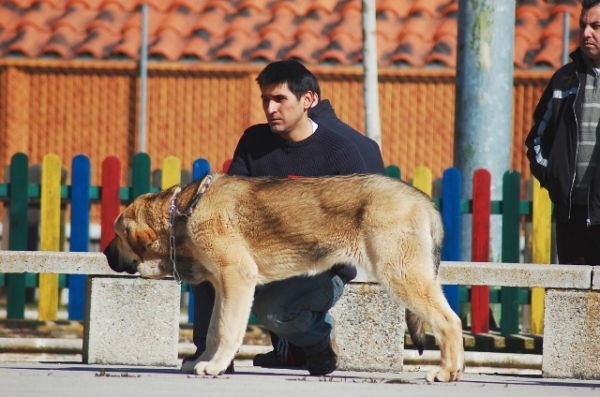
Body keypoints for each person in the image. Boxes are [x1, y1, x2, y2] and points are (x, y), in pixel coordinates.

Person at [182, 59, 371, 377]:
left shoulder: (340, 153)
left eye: (280, 99)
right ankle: (212, 351)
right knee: (206, 261)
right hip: (262, 256)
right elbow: (230, 205)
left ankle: (319, 340)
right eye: (265, 100)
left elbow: (359, 222)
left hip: (321, 269)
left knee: (272, 310)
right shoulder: (254, 142)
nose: (270, 108)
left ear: (308, 100)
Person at [525, 0, 600, 265]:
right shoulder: (563, 80)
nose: (586, 33)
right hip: (572, 216)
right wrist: (555, 177)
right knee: (572, 300)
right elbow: (536, 139)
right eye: (583, 25)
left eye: (595, 26)